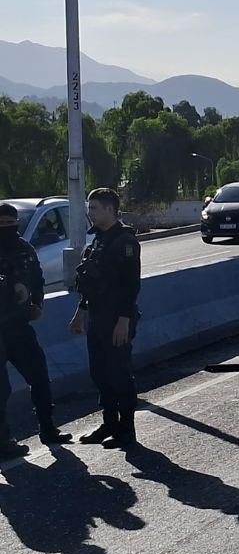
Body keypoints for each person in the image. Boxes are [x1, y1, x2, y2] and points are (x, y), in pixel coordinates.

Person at [68, 188, 142, 449]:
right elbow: (89, 285)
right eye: (90, 208)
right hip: (97, 317)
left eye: (94, 208)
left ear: (110, 209)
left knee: (119, 374)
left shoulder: (125, 242)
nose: (90, 213)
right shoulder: (98, 241)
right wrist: (79, 315)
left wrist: (123, 320)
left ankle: (127, 429)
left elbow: (131, 285)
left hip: (116, 318)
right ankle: (109, 423)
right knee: (100, 374)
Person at [0, 203, 72, 452]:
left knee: (39, 376)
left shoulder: (25, 249)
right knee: (1, 388)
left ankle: (48, 428)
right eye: (1, 224)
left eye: (10, 223)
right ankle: (3, 441)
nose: (6, 228)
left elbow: (37, 281)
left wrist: (38, 304)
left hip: (19, 326)